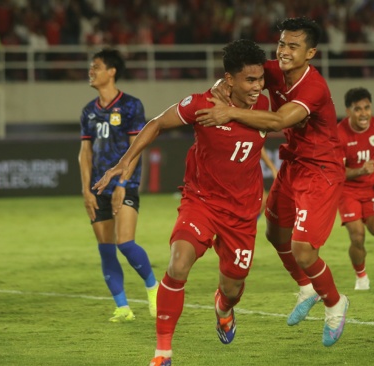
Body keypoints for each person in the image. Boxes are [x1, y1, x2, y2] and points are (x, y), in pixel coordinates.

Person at [93, 39, 270, 366]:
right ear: (229, 79)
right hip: (200, 202)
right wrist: (125, 161)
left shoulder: (267, 106)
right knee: (177, 264)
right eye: (250, 80)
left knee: (233, 286)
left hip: (243, 213)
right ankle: (163, 353)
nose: (258, 86)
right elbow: (158, 123)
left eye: (261, 79)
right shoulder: (202, 104)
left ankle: (224, 308)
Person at [196, 17, 349, 347]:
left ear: (310, 53)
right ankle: (306, 287)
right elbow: (243, 73)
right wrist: (220, 88)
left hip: (321, 171)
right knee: (274, 230)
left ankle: (335, 304)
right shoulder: (274, 70)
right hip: (294, 162)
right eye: (281, 44)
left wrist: (230, 113)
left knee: (303, 250)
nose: (284, 51)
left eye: (293, 46)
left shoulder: (313, 87)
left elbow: (280, 120)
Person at [78, 48, 158, 323]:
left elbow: (137, 148)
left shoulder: (131, 106)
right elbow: (84, 153)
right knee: (105, 248)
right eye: (91, 67)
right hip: (97, 188)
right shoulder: (89, 111)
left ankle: (153, 288)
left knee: (125, 242)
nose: (91, 71)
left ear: (111, 71)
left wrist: (123, 183)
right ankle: (122, 307)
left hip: (125, 184)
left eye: (96, 66)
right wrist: (86, 189)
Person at [337, 87, 374, 290]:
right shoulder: (339, 135)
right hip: (347, 192)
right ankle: (361, 276)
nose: (363, 113)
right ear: (348, 112)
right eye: (358, 109)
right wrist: (361, 170)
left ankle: (365, 217)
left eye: (367, 108)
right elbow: (337, 173)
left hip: (372, 191)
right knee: (357, 236)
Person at [259, 146, 278, 217]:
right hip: (232, 169)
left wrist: (273, 168)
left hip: (249, 169)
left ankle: (249, 226)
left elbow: (259, 148)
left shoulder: (254, 137)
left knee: (263, 200)